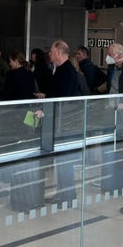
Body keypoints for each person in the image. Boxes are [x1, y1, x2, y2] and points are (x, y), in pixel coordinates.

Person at [42, 40, 81, 205]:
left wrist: (48, 110)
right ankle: (66, 193)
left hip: (64, 122)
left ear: (58, 52)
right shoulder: (63, 70)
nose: (50, 54)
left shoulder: (66, 72)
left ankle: (67, 194)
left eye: (51, 51)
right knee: (63, 160)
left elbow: (62, 99)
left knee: (65, 160)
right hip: (64, 120)